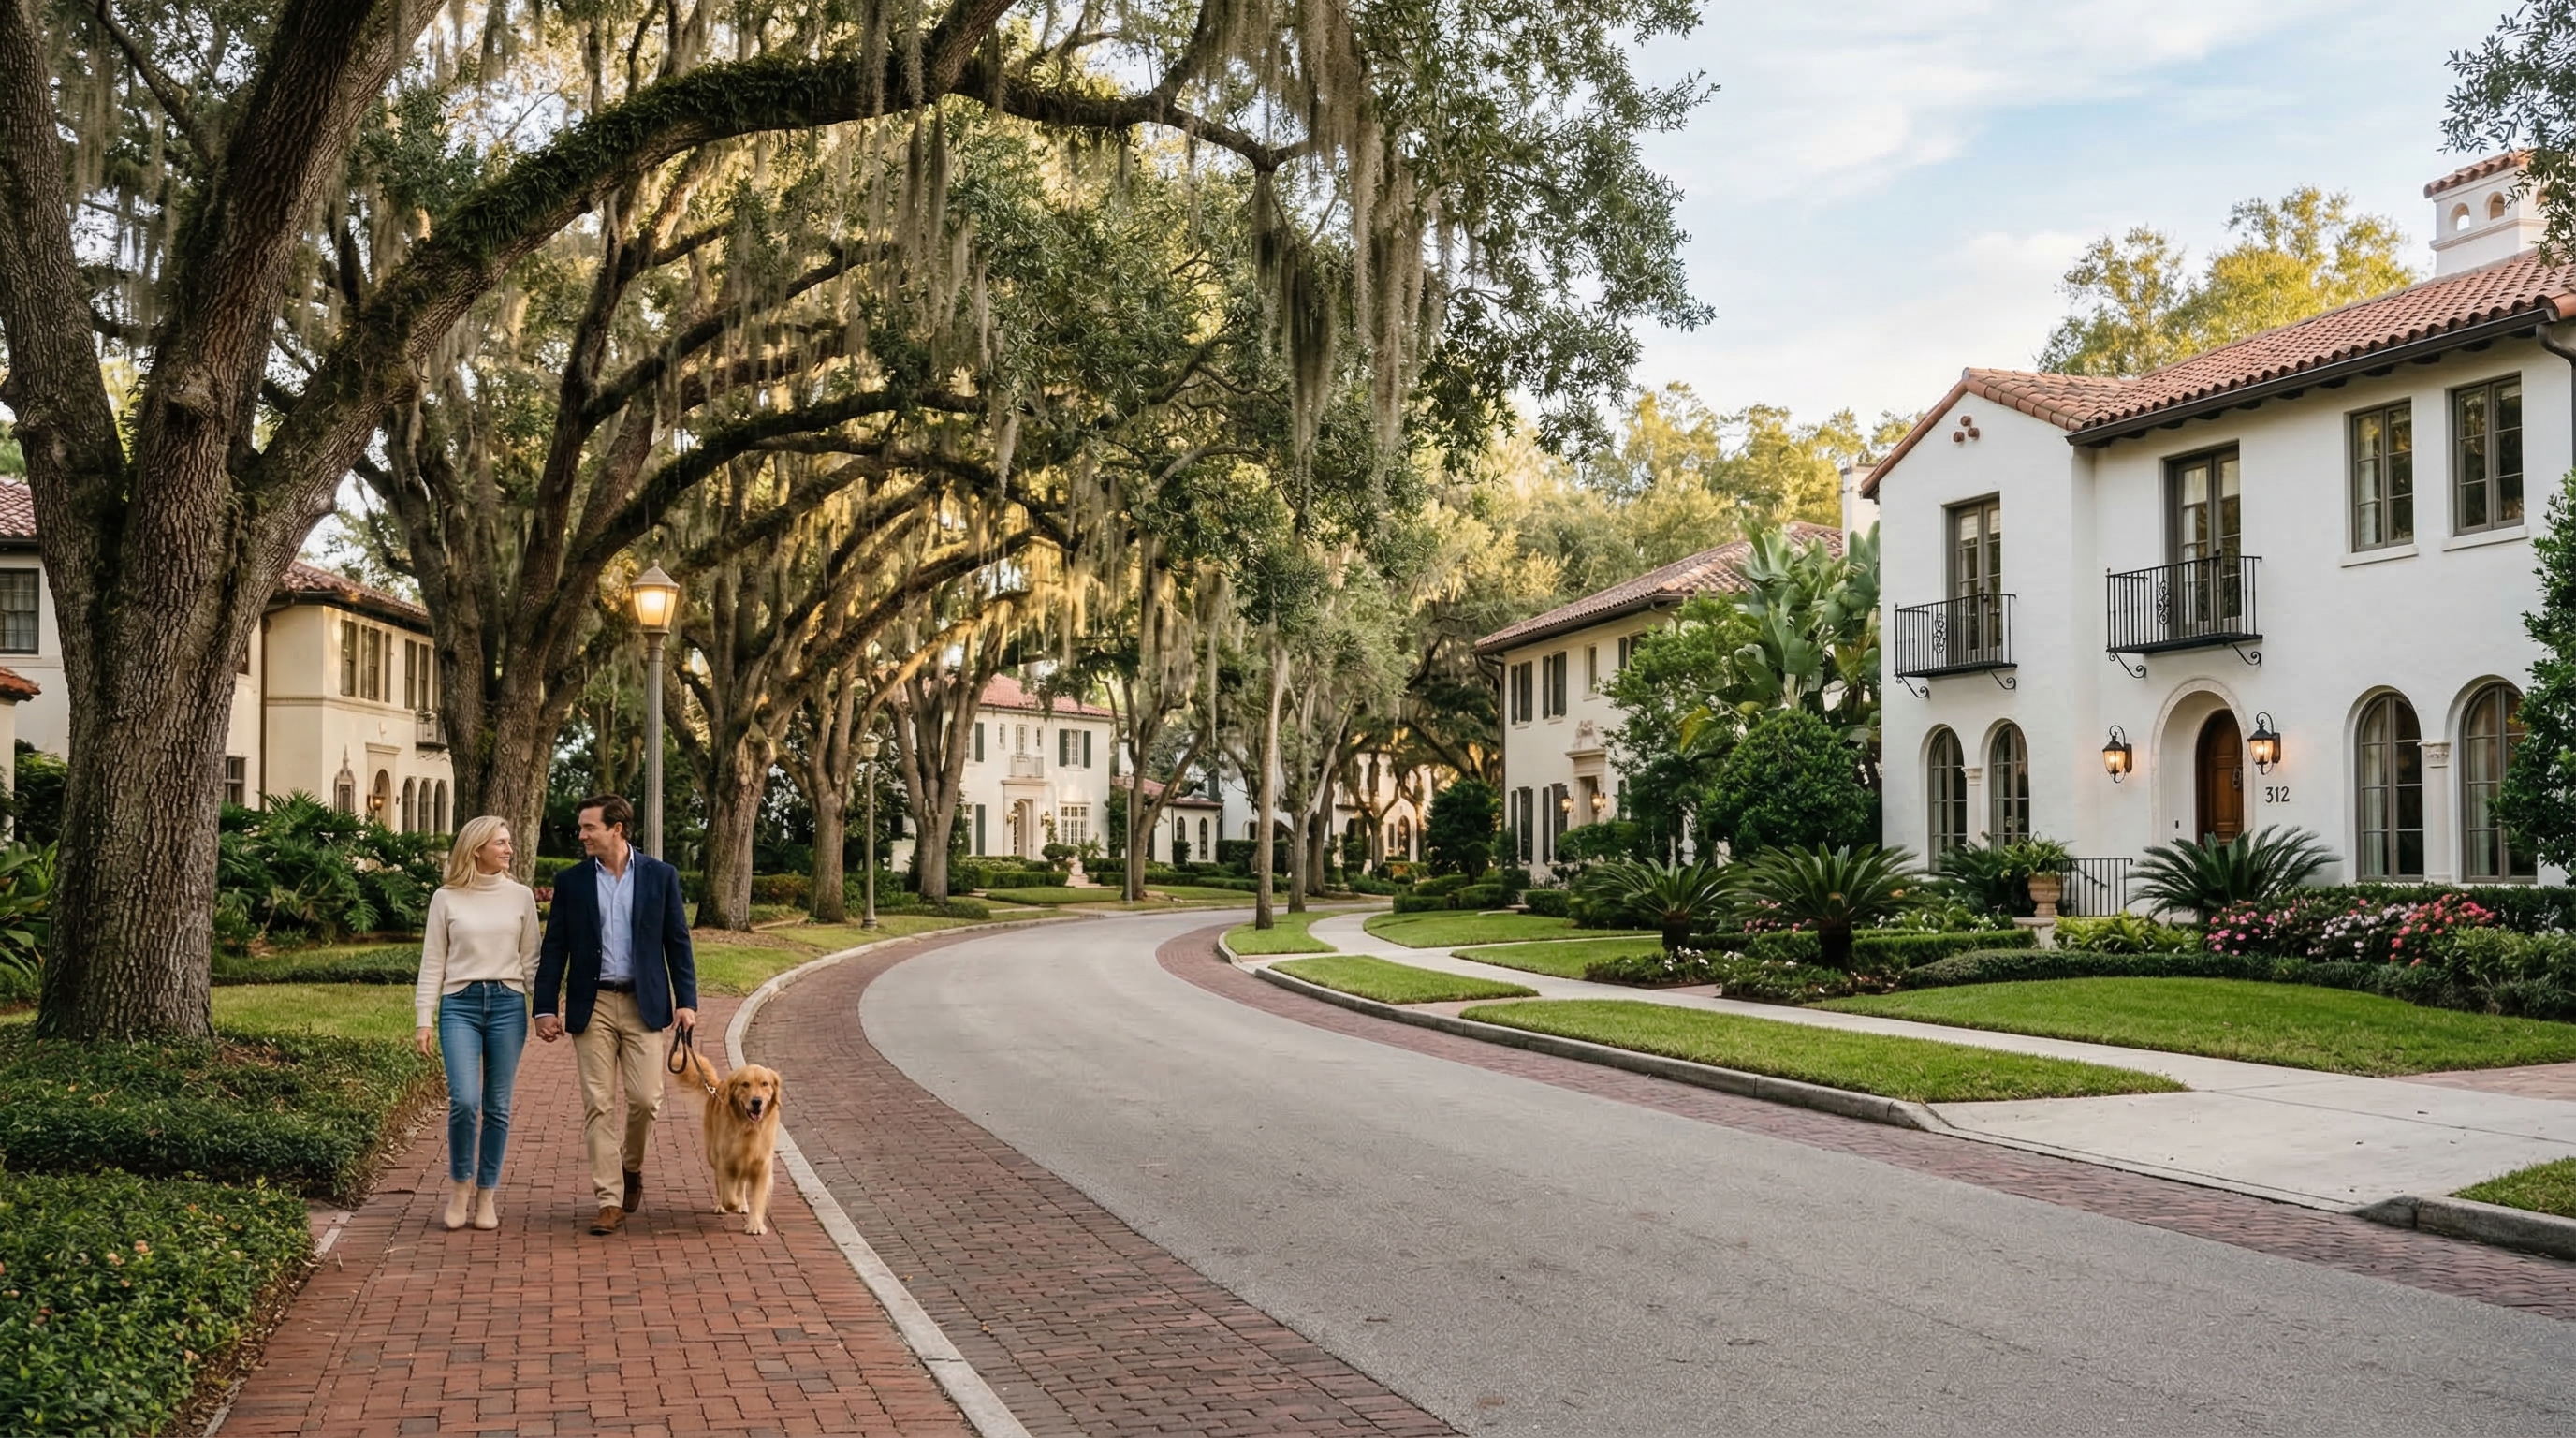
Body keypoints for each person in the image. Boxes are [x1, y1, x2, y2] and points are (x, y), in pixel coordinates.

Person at [532, 793, 697, 1236]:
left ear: (616, 829)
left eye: (590, 827)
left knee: (646, 1099)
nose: (582, 835)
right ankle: (609, 1200)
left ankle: (631, 1166)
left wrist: (687, 1001)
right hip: (594, 1004)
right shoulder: (572, 882)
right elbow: (555, 947)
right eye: (582, 828)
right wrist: (544, 1007)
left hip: (645, 1003)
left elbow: (677, 942)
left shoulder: (661, 876)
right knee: (599, 1104)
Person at [415, 816, 543, 1231]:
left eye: (509, 842)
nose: (509, 849)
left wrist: (543, 1010)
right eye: (500, 843)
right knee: (465, 1101)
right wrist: (423, 1018)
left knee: (497, 1106)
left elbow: (532, 961)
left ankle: (487, 1194)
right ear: (476, 850)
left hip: (507, 1004)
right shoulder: (446, 898)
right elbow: (433, 961)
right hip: (460, 1005)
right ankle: (460, 1187)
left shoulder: (521, 896)